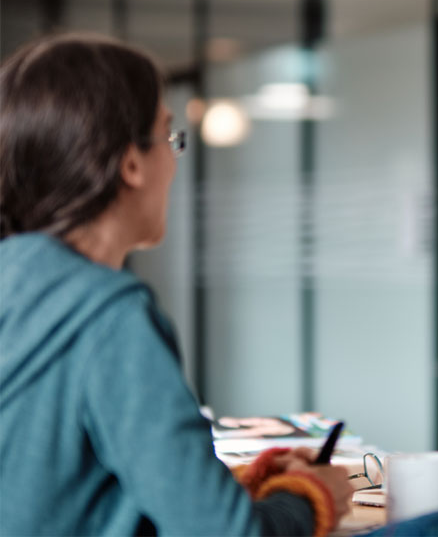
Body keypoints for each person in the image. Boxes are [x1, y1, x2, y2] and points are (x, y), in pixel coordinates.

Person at [0, 34, 353, 535]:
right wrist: (310, 497)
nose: (174, 162)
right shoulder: (108, 316)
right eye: (169, 138)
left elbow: (67, 491)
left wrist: (236, 485)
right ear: (131, 164)